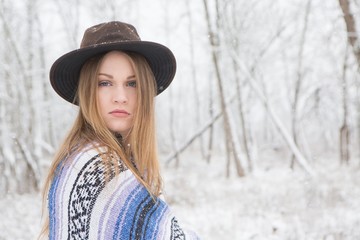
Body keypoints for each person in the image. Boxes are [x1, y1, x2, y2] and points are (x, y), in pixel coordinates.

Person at [39, 21, 199, 240]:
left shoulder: (119, 163)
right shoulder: (97, 168)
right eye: (105, 83)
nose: (120, 97)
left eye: (132, 84)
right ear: (87, 91)